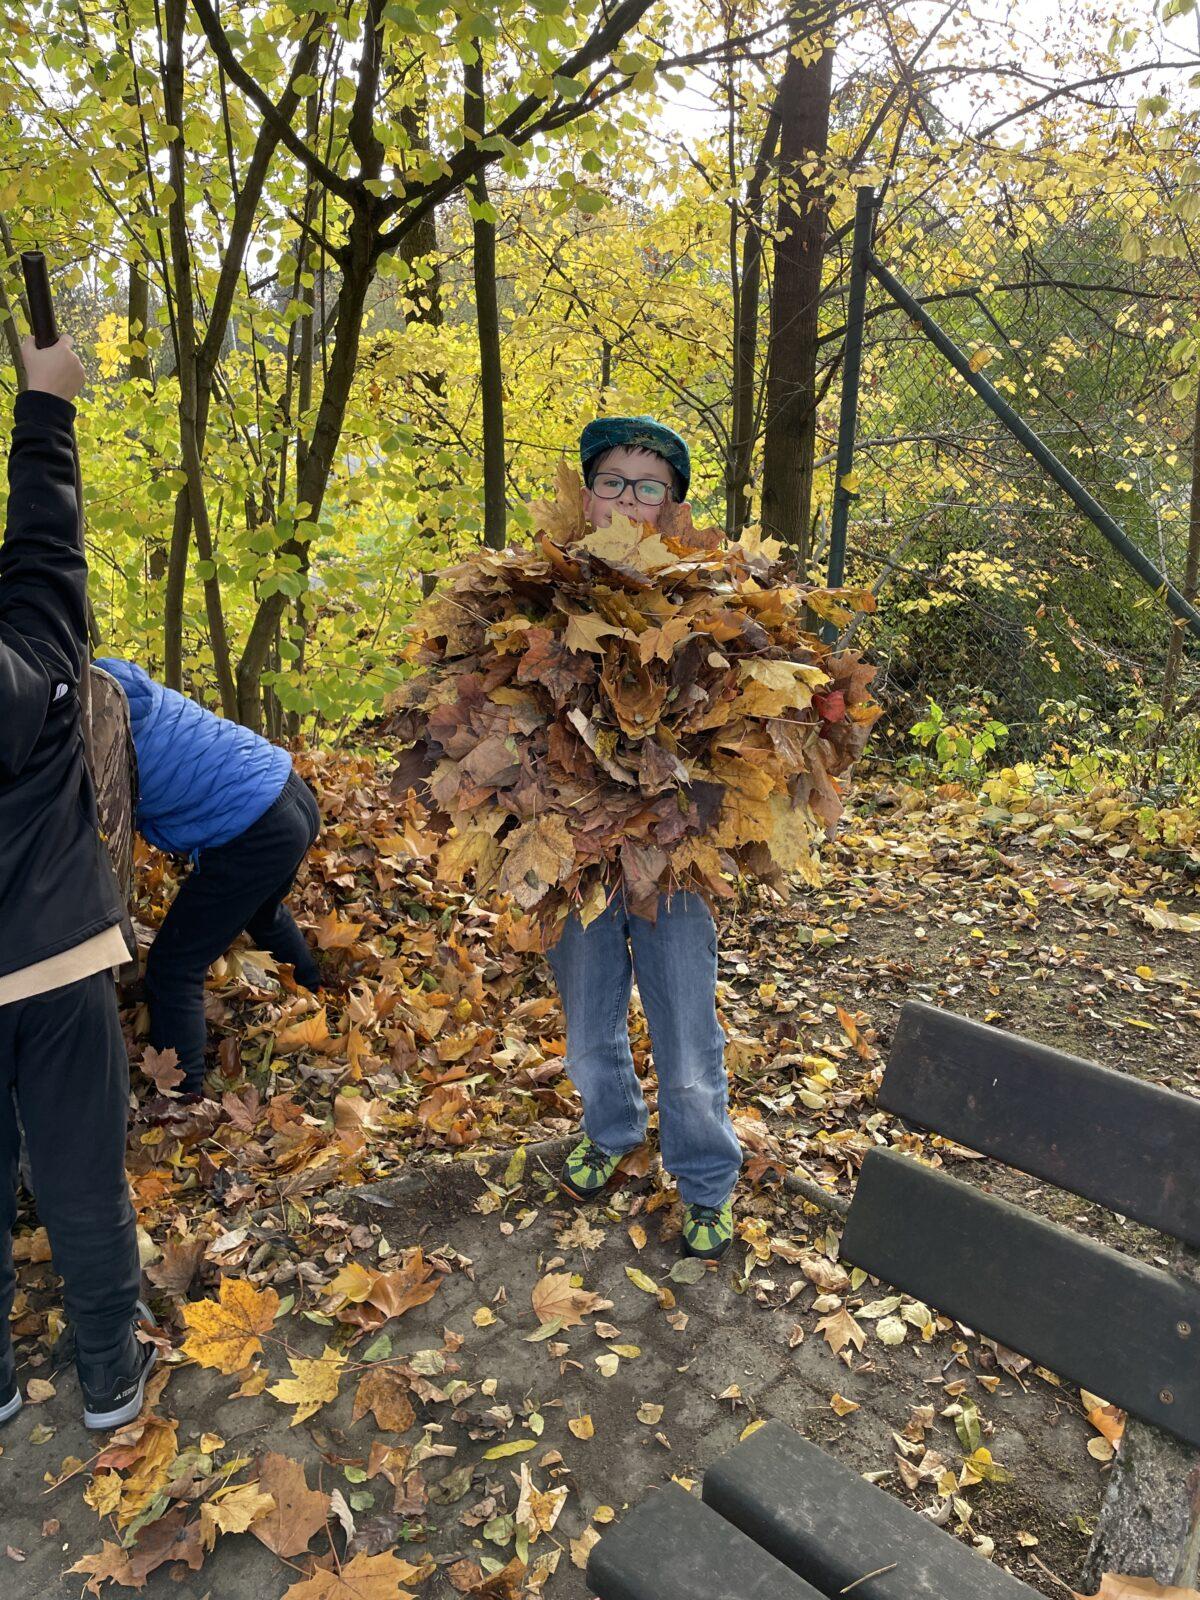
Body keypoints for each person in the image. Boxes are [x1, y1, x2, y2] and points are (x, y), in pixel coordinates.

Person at [0, 336, 155, 1431]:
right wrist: (43, 417)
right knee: (83, 1176)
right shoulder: (34, 666)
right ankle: (107, 1369)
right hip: (53, 954)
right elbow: (48, 566)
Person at [549, 417, 743, 1260]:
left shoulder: (710, 602)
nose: (629, 498)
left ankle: (704, 1179)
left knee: (688, 1041)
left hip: (672, 865)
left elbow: (743, 735)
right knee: (590, 1030)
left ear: (674, 506)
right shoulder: (540, 594)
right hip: (578, 859)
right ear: (589, 495)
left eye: (649, 485)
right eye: (614, 482)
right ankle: (614, 1125)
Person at [96, 658, 323, 1095]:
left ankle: (182, 1097)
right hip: (292, 793)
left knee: (173, 966)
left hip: (258, 829)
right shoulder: (127, 690)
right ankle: (315, 994)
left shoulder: (100, 735)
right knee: (263, 913)